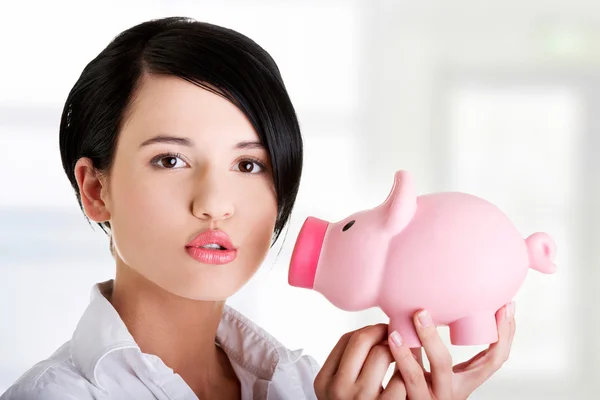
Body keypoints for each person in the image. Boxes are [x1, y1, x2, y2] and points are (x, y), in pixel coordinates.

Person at [1, 16, 516, 400]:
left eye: (249, 166)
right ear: (95, 191)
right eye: (171, 159)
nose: (215, 204)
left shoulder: (301, 383)